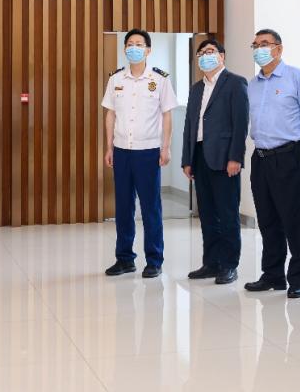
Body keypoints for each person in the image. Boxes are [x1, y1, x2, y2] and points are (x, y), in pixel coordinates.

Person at [244, 29, 300, 299]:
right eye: (255, 45)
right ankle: (272, 275)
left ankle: (298, 278)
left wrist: (298, 152)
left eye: (264, 44)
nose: (259, 49)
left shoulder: (296, 78)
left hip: (289, 156)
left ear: (279, 48)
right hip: (261, 158)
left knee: (295, 220)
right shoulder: (252, 85)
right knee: (267, 220)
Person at [101, 29, 177, 278]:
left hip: (148, 152)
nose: (134, 48)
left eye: (139, 44)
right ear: (125, 49)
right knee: (123, 207)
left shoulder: (160, 80)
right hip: (122, 151)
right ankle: (124, 259)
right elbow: (110, 114)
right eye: (130, 44)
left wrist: (166, 147)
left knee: (150, 207)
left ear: (148, 50)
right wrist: (109, 147)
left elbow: (167, 115)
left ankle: (154, 260)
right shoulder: (116, 79)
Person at [181, 38, 248, 285]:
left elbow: (241, 123)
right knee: (207, 214)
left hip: (224, 157)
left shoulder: (235, 83)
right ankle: (211, 263)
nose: (205, 56)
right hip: (200, 156)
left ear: (222, 56)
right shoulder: (196, 88)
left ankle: (229, 265)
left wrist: (235, 157)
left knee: (227, 214)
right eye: (201, 53)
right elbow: (190, 125)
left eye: (210, 51)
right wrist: (187, 159)